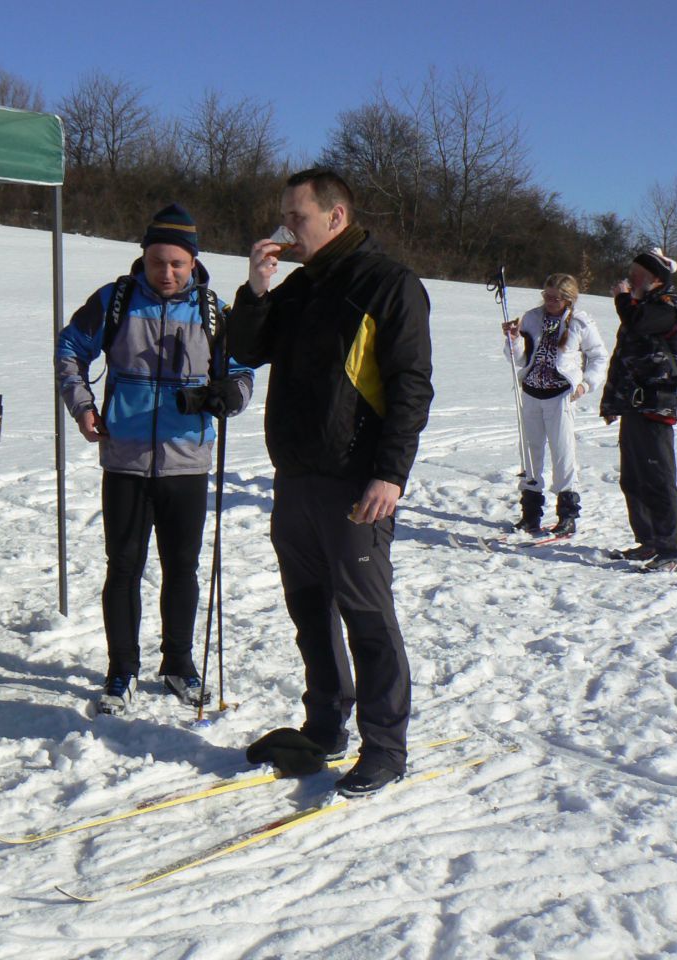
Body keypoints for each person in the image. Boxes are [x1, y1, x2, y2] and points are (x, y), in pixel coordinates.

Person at [228, 169, 433, 798]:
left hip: (355, 481)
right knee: (309, 608)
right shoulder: (300, 285)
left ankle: (385, 746)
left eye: (298, 217)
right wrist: (256, 290)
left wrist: (390, 474)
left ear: (336, 216)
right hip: (296, 477)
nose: (286, 228)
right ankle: (325, 722)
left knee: (366, 615)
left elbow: (411, 387)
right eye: (285, 216)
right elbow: (247, 349)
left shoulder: (388, 283)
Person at [56, 204, 254, 716]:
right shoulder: (115, 300)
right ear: (143, 258)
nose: (166, 273)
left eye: (177, 264)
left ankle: (178, 665)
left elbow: (241, 368)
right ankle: (121, 669)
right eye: (157, 262)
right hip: (125, 459)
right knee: (123, 566)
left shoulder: (213, 310)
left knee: (182, 567)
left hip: (186, 461)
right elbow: (69, 348)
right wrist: (82, 407)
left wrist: (231, 394)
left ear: (193, 262)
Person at [599, 248, 677, 573]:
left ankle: (670, 551)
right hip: (633, 406)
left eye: (636, 274)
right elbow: (622, 358)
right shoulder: (643, 306)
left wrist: (623, 298)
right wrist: (611, 402)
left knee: (658, 480)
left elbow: (637, 323)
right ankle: (648, 541)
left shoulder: (668, 306)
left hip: (656, 407)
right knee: (633, 479)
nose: (630, 278)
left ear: (654, 278)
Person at [502, 273, 608, 535]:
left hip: (560, 396)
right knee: (530, 453)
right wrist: (513, 339)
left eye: (555, 299)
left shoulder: (580, 322)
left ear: (568, 300)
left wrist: (585, 385)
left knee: (563, 454)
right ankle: (530, 514)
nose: (549, 302)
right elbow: (518, 358)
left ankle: (567, 514)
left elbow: (599, 356)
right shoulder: (531, 318)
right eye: (546, 296)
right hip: (531, 392)